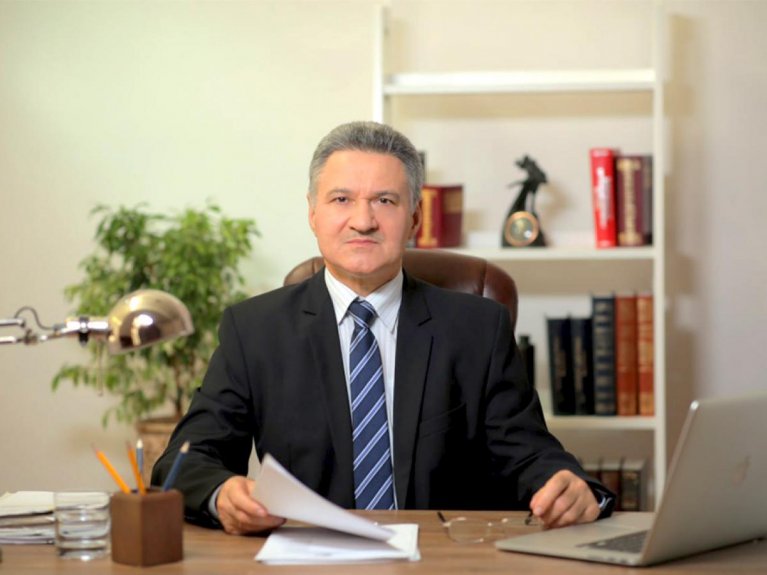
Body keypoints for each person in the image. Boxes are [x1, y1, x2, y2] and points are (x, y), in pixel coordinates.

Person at [153, 121, 614, 535]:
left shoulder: (478, 328)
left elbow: (531, 455)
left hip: (443, 560)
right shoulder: (254, 330)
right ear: (313, 214)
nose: (363, 221)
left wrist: (573, 488)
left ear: (414, 218)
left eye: (385, 201)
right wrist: (222, 494)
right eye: (341, 199)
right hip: (310, 559)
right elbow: (185, 461)